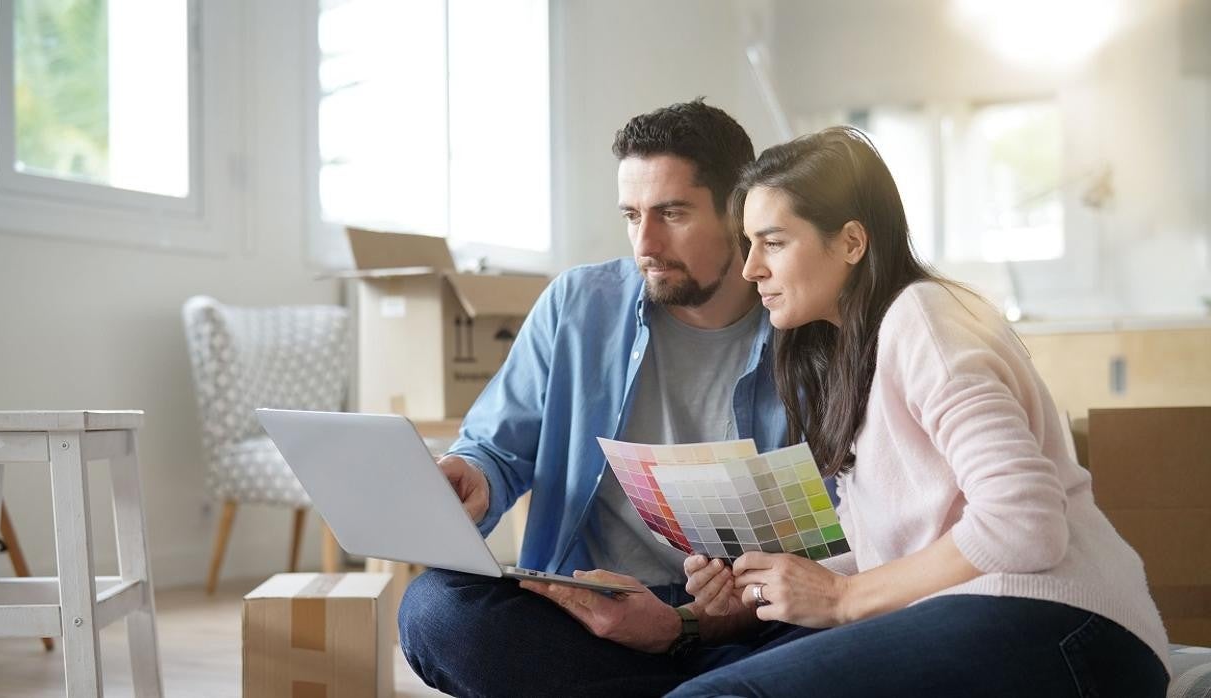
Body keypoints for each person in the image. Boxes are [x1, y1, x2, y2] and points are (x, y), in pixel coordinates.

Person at [670, 126, 1171, 697]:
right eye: (749, 243)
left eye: (774, 242)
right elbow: (898, 556)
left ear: (851, 242)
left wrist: (841, 599)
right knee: (697, 677)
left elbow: (1023, 523)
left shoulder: (923, 316)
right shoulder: (851, 354)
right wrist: (762, 588)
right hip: (989, 616)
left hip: (1071, 626)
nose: (750, 268)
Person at [398, 100, 826, 697]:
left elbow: (841, 542)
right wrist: (472, 476)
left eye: (672, 213)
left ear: (741, 211)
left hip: (753, 617)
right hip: (593, 608)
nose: (645, 242)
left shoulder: (812, 330)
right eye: (632, 215)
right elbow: (496, 449)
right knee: (435, 609)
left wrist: (688, 623)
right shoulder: (577, 304)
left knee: (849, 635)